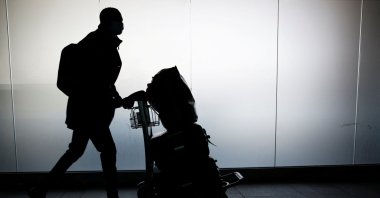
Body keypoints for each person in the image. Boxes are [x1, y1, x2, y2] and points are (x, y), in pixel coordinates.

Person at [28, 7, 124, 198]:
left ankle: (41, 189)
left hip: (85, 110)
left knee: (76, 150)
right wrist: (111, 98)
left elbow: (103, 81)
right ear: (108, 23)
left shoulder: (98, 42)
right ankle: (112, 195)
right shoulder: (99, 44)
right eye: (119, 21)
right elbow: (98, 81)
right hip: (92, 111)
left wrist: (115, 97)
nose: (122, 24)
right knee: (107, 149)